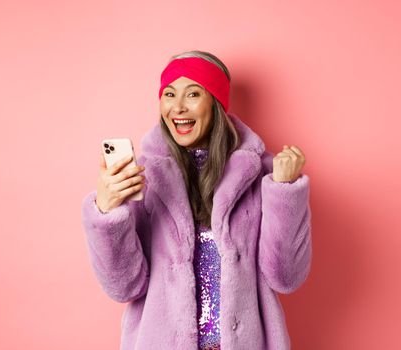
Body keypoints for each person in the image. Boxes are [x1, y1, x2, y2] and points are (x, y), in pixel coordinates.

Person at [81, 50, 312, 350]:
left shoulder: (260, 175)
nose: (177, 107)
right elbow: (125, 286)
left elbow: (286, 277)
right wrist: (109, 213)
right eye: (169, 94)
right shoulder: (144, 177)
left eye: (192, 94)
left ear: (216, 103)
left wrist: (285, 190)